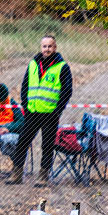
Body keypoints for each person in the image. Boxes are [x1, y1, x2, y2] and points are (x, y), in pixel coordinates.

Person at [7, 34, 73, 187]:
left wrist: (57, 110)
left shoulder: (62, 67)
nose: (47, 49)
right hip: (32, 113)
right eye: (44, 46)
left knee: (47, 145)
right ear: (41, 47)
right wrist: (26, 106)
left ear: (55, 48)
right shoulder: (32, 64)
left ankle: (43, 176)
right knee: (22, 142)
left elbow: (67, 91)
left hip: (50, 114)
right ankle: (16, 173)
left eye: (50, 46)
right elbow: (25, 86)